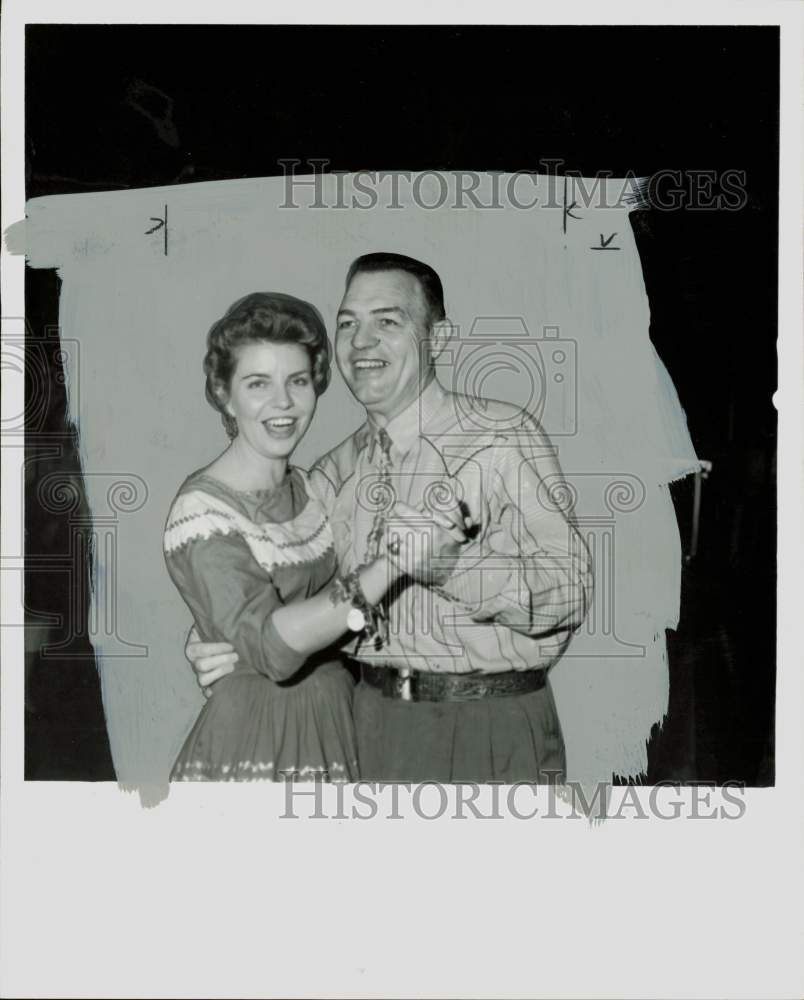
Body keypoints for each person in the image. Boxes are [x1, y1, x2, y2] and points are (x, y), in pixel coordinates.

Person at [186, 256, 593, 783]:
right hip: (368, 724)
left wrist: (451, 565)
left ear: (437, 339)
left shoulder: (501, 437)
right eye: (349, 323)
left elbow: (570, 590)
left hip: (488, 725)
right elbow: (290, 589)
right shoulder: (331, 473)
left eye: (387, 322)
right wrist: (217, 631)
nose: (361, 342)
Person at [165, 290, 460, 781]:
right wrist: (390, 564)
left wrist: (212, 632)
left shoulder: (311, 487)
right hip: (262, 737)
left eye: (297, 381)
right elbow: (275, 653)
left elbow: (343, 615)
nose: (283, 403)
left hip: (342, 718)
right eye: (258, 383)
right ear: (224, 393)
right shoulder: (202, 510)